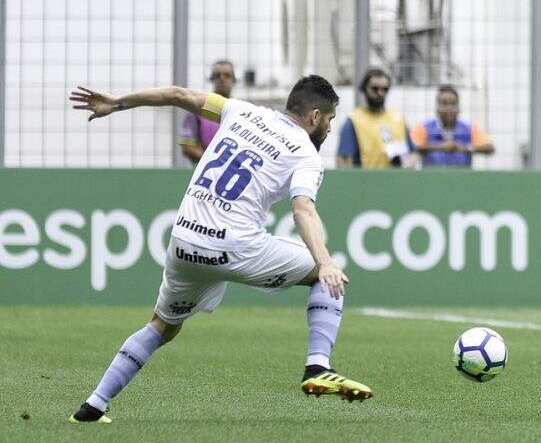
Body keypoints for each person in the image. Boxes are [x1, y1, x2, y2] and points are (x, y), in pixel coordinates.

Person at [68, 75, 372, 423]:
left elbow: (176, 94)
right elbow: (303, 208)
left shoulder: (238, 111)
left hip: (185, 240)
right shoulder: (305, 153)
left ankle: (93, 406)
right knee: (325, 276)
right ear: (315, 116)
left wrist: (118, 102)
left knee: (162, 325)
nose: (330, 129)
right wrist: (326, 261)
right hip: (235, 245)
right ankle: (318, 366)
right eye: (330, 120)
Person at [336, 68, 413, 168]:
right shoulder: (354, 120)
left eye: (385, 89)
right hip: (365, 181)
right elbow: (343, 159)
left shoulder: (398, 119)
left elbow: (413, 154)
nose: (380, 93)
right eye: (375, 89)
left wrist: (406, 164)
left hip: (397, 180)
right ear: (364, 89)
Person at [410, 85, 494, 168]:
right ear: (437, 108)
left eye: (453, 104)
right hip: (431, 178)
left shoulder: (469, 128)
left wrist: (465, 148)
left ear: (458, 108)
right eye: (444, 104)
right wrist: (441, 146)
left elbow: (489, 148)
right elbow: (413, 147)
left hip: (461, 178)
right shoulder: (423, 127)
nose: (449, 108)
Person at [177, 60, 237, 164]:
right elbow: (187, 146)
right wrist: (215, 161)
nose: (222, 79)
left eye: (227, 75)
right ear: (212, 79)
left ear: (234, 80)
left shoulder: (240, 112)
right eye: (217, 75)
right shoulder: (198, 109)